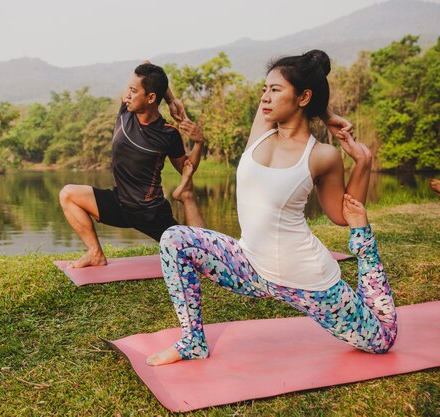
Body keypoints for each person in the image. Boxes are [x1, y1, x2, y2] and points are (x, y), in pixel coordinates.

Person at [147, 50, 398, 366]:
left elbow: (339, 215)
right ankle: (192, 342)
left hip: (308, 281)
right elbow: (308, 82)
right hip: (249, 267)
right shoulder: (262, 130)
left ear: (303, 96)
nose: (265, 97)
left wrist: (363, 161)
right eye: (264, 89)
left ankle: (367, 285)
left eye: (275, 90)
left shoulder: (322, 155)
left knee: (382, 341)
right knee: (174, 240)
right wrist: (326, 115)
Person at [59, 63, 206, 268]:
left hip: (150, 212)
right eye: (128, 88)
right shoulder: (126, 111)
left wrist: (199, 142)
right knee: (68, 194)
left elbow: (186, 168)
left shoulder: (167, 133)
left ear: (151, 98)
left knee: (196, 256)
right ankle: (95, 253)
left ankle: (198, 241)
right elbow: (147, 65)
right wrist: (171, 99)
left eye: (134, 91)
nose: (127, 94)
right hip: (120, 203)